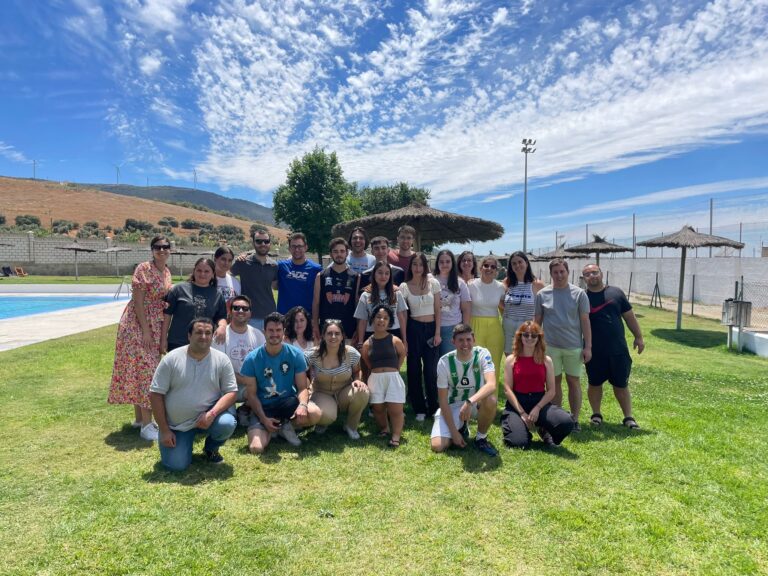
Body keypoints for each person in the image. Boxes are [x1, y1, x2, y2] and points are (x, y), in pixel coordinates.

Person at [149, 317, 238, 471]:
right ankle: (184, 444)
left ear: (212, 336)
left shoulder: (222, 360)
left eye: (208, 333)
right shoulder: (171, 359)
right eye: (198, 332)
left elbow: (231, 392)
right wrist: (164, 430)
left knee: (227, 423)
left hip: (208, 417)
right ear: (189, 336)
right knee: (176, 466)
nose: (203, 337)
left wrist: (212, 414)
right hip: (177, 425)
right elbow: (155, 394)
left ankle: (211, 448)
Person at [108, 235, 173, 442]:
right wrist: (145, 330)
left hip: (155, 324)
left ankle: (139, 419)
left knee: (141, 370)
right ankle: (147, 425)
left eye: (165, 247)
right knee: (147, 372)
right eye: (157, 247)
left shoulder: (167, 272)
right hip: (138, 324)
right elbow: (137, 302)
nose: (161, 250)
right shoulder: (143, 269)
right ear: (152, 249)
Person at [239, 312, 322, 453]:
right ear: (264, 332)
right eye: (270, 330)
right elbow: (251, 395)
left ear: (284, 332)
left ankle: (285, 423)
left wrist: (302, 405)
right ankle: (276, 428)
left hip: (287, 404)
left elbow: (302, 388)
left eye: (278, 330)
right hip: (263, 408)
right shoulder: (252, 359)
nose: (274, 334)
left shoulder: (295, 354)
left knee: (314, 413)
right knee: (256, 448)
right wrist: (264, 419)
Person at [582, 263, 644, 429]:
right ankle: (596, 414)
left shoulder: (616, 293)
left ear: (601, 274)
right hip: (593, 350)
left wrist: (638, 337)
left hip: (618, 350)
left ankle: (628, 417)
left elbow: (629, 317)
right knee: (594, 383)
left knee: (621, 385)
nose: (592, 276)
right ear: (584, 278)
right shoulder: (582, 297)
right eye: (587, 274)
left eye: (595, 272)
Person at [534, 258, 592, 430]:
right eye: (555, 272)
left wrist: (587, 346)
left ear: (567, 272)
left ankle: (574, 419)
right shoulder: (542, 295)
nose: (559, 275)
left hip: (573, 347)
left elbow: (585, 321)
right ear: (550, 274)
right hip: (551, 347)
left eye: (562, 272)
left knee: (573, 382)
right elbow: (537, 321)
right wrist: (536, 345)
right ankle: (557, 418)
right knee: (554, 383)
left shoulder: (579, 293)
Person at [501, 321, 575, 449]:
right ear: (520, 336)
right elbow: (507, 390)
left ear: (539, 338)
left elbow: (551, 390)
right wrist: (522, 413)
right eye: (526, 335)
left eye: (534, 335)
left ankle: (544, 430)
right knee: (519, 443)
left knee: (567, 422)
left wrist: (538, 408)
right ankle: (521, 429)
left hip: (540, 401)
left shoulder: (546, 360)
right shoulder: (511, 360)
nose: (529, 338)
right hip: (518, 403)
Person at [431, 324, 499, 456]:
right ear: (453, 342)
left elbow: (491, 384)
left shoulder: (483, 354)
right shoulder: (444, 362)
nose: (465, 344)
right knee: (438, 446)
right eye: (460, 340)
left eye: (468, 339)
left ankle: (481, 438)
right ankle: (460, 428)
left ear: (473, 340)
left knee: (491, 399)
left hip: (474, 403)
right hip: (452, 406)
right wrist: (454, 434)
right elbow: (443, 400)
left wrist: (469, 402)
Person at [305, 319, 369, 439]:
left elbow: (357, 371)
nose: (333, 336)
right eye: (329, 333)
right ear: (323, 336)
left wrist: (357, 379)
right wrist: (305, 388)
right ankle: (323, 422)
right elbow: (300, 372)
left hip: (344, 391)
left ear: (342, 336)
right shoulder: (313, 354)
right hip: (321, 392)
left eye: (337, 333)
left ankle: (351, 426)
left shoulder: (351, 353)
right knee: (329, 416)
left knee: (362, 392)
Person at [399, 252, 441, 421]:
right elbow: (402, 315)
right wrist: (405, 339)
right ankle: (419, 408)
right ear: (411, 267)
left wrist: (437, 332)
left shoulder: (434, 283)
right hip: (413, 329)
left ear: (425, 266)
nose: (418, 268)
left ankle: (433, 407)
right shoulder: (404, 286)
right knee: (414, 369)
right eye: (414, 264)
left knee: (431, 371)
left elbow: (438, 309)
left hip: (431, 329)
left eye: (421, 265)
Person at [211, 295, 265, 425]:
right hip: (225, 386)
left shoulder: (258, 335)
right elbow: (220, 369)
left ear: (250, 313)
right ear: (230, 311)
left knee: (269, 390)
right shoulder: (221, 335)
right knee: (229, 422)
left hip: (250, 386)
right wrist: (246, 380)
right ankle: (233, 412)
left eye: (245, 309)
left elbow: (264, 364)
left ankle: (245, 409)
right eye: (236, 308)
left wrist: (251, 381)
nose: (241, 311)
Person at [361, 305, 407, 448]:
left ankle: (396, 435)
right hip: (375, 379)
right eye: (378, 317)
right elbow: (367, 361)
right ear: (372, 319)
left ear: (390, 322)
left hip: (393, 378)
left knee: (395, 410)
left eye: (385, 318)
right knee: (378, 409)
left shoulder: (395, 340)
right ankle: (384, 428)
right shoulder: (367, 343)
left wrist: (395, 369)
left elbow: (402, 354)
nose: (381, 320)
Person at [161, 257, 228, 353]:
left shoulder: (217, 295)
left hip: (203, 343)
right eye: (199, 270)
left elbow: (221, 317)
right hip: (178, 342)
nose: (202, 274)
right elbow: (167, 315)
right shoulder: (179, 289)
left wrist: (222, 326)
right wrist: (163, 339)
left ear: (213, 274)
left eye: (206, 271)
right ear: (194, 271)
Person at [312, 237, 359, 343]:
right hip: (326, 329)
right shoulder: (321, 275)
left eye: (342, 251)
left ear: (347, 253)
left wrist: (358, 327)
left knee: (347, 359)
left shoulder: (355, 276)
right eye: (335, 251)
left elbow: (357, 304)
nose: (339, 254)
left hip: (349, 329)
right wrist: (315, 325)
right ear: (331, 253)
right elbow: (316, 303)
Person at [230, 227, 278, 331]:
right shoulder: (243, 262)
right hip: (249, 317)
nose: (263, 244)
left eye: (266, 241)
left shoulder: (274, 265)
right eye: (259, 241)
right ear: (253, 243)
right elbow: (227, 276)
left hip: (270, 316)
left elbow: (275, 287)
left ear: (270, 243)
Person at [354, 260, 408, 348]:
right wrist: (360, 342)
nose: (383, 276)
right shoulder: (366, 294)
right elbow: (363, 321)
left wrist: (404, 340)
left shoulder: (396, 293)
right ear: (374, 274)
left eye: (387, 273)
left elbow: (401, 317)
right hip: (371, 334)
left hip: (394, 333)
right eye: (380, 273)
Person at [502, 251, 545, 355]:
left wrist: (536, 326)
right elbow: (500, 301)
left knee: (527, 356)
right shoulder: (507, 282)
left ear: (526, 262)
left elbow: (543, 308)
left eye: (520, 262)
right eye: (514, 263)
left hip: (527, 328)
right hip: (508, 325)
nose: (517, 265)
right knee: (510, 357)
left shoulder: (537, 284)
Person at [469, 255, 505, 374]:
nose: (489, 268)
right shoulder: (471, 285)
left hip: (494, 327)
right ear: (481, 268)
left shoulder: (501, 287)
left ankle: (492, 391)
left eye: (493, 266)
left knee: (493, 362)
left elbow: (504, 308)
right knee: (475, 362)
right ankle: (477, 391)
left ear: (496, 271)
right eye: (486, 265)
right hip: (475, 325)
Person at [433, 249, 471, 357]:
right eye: (441, 262)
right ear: (437, 263)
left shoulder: (460, 283)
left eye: (448, 261)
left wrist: (465, 331)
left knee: (449, 360)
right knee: (434, 361)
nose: (444, 264)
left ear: (452, 263)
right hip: (433, 326)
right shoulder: (430, 280)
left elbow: (466, 309)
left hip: (453, 328)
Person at [276, 232, 322, 316]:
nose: (296, 249)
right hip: (284, 317)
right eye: (293, 246)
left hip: (305, 319)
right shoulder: (281, 266)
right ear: (289, 248)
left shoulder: (316, 269)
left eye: (300, 246)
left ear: (306, 247)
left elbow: (318, 298)